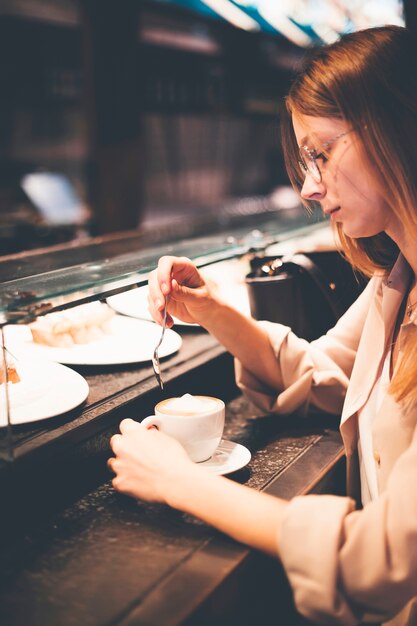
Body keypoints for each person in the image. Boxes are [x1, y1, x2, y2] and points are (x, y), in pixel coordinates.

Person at [108, 25, 417, 626]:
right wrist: (215, 313)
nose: (308, 185)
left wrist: (178, 481)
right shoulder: (400, 283)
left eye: (320, 152)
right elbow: (328, 373)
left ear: (397, 127)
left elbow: (372, 559)